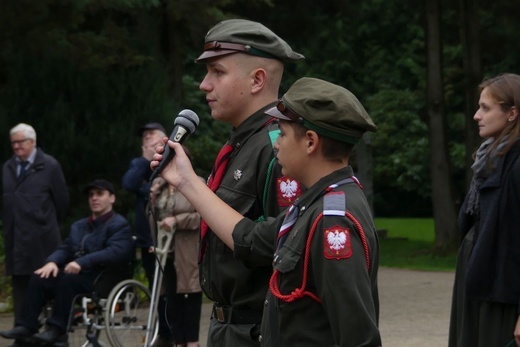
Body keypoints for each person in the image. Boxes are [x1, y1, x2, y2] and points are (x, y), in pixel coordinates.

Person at [151, 77, 382, 346]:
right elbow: (249, 239)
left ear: (310, 142)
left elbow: (358, 337)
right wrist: (185, 180)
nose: (275, 143)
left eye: (282, 134)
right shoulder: (318, 203)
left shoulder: (332, 220)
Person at [187, 19, 304, 346]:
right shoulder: (244, 143)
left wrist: (190, 185)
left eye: (217, 72)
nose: (204, 85)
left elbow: (283, 246)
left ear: (257, 80)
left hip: (257, 331)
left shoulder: (277, 147)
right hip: (230, 328)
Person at [0, 179, 134, 346]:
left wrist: (82, 262)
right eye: (91, 195)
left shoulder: (119, 225)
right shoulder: (79, 226)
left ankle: (57, 331)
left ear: (112, 198)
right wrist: (52, 262)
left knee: (68, 280)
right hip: (79, 274)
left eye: (100, 194)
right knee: (40, 276)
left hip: (105, 277)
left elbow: (116, 252)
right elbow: (66, 248)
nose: (94, 198)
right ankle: (26, 327)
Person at [448, 73, 520, 347]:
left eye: (486, 108)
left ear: (511, 113)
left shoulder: (516, 163)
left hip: (502, 291)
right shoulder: (488, 159)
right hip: (478, 277)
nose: (477, 115)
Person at [2, 123, 69, 347]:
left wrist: (43, 222)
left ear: (33, 142)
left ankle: (56, 336)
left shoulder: (49, 165)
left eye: (21, 142)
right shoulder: (8, 167)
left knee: (48, 285)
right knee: (21, 286)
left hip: (43, 240)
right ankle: (24, 338)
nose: (17, 146)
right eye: (13, 142)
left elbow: (62, 202)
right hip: (16, 240)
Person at [149, 166, 204, 347]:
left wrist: (178, 220)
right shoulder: (160, 186)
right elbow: (152, 216)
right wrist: (152, 199)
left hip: (187, 249)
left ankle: (193, 342)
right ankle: (178, 342)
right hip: (166, 251)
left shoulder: (196, 183)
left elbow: (202, 216)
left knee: (190, 295)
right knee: (171, 298)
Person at [122, 122, 167, 288]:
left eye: (151, 133)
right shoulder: (139, 163)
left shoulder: (172, 157)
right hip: (148, 237)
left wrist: (145, 187)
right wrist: (145, 160)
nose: (147, 136)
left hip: (170, 233)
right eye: (144, 135)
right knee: (155, 285)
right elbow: (129, 184)